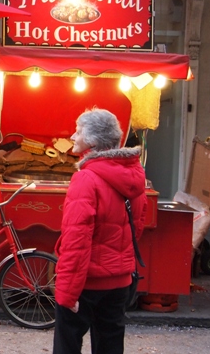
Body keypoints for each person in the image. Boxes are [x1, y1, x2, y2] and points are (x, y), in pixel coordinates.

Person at [53, 108, 147, 354]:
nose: (73, 136)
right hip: (120, 281)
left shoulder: (86, 179)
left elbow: (76, 240)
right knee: (110, 344)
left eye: (79, 131)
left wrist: (66, 292)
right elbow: (137, 227)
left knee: (68, 344)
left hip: (88, 282)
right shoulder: (135, 176)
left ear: (92, 140)